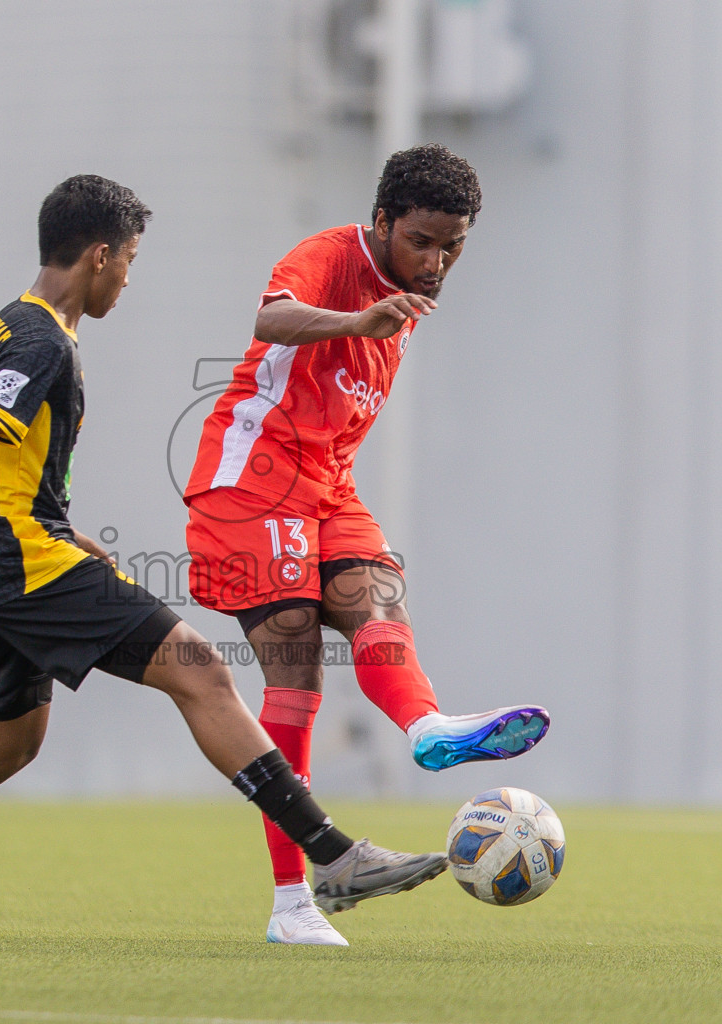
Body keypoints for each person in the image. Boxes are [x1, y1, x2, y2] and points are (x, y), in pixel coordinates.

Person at [0, 174, 446, 940]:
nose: (130, 278)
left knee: (5, 745)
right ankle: (333, 856)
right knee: (200, 668)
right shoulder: (37, 337)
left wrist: (52, 529)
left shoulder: (26, 328)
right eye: (130, 260)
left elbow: (7, 460)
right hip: (20, 566)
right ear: (100, 255)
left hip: (6, 560)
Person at [182, 145, 551, 946]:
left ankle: (427, 731)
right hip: (253, 474)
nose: (439, 260)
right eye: (423, 240)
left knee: (376, 598)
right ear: (383, 222)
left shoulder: (409, 293)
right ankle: (292, 904)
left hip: (327, 483)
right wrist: (357, 319)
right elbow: (269, 316)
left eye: (455, 245)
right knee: (297, 673)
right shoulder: (332, 257)